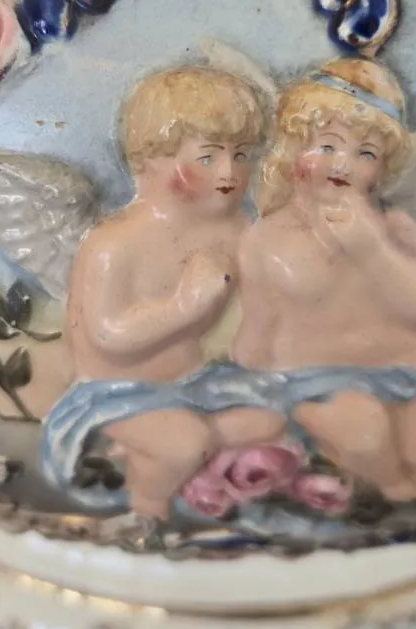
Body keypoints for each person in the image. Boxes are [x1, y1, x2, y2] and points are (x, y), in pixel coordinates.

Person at [232, 58, 416, 510]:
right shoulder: (265, 239)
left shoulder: (393, 229)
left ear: (381, 170)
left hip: (407, 363)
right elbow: (257, 329)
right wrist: (252, 383)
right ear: (293, 150)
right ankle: (394, 492)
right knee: (366, 439)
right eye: (327, 145)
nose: (343, 163)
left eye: (365, 154)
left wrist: (374, 251)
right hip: (318, 377)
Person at [60, 65, 270, 518]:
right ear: (150, 160)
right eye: (208, 157)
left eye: (241, 155)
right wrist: (183, 307)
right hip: (115, 391)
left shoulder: (236, 228)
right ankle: (147, 508)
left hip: (193, 380)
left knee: (266, 421)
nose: (229, 171)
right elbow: (109, 333)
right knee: (186, 444)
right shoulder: (116, 243)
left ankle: (202, 490)